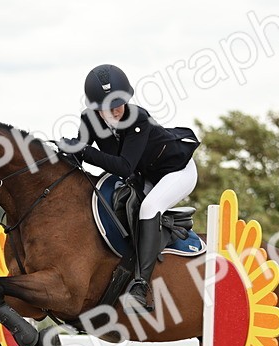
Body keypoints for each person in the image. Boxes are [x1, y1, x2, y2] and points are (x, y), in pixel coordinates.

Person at [57, 64, 199, 314]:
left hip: (177, 171)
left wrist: (81, 149)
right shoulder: (89, 120)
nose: (115, 111)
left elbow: (122, 166)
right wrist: (61, 151)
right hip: (144, 173)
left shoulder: (137, 119)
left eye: (119, 103)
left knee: (149, 207)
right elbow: (78, 159)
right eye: (107, 107)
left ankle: (141, 286)